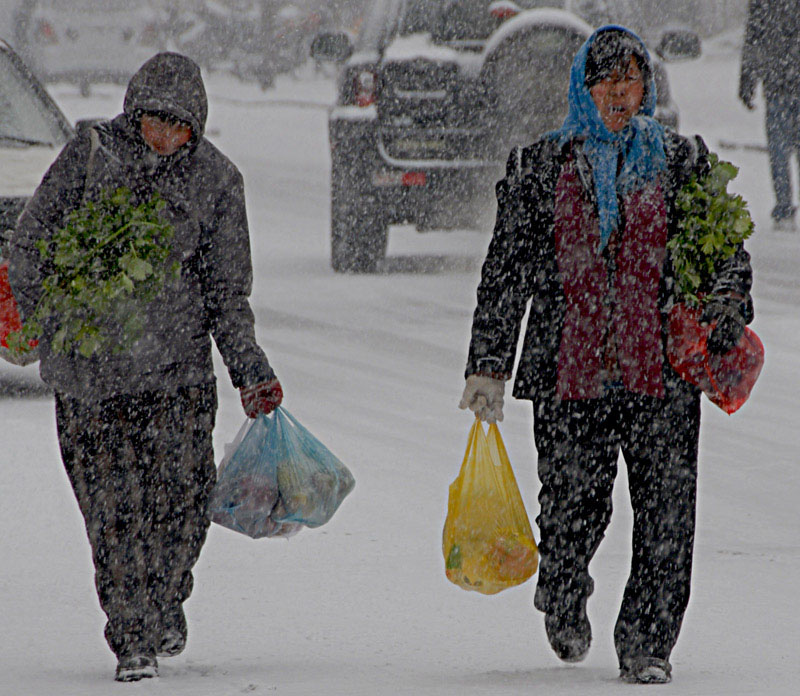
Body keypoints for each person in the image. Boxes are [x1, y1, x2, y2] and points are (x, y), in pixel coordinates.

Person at [460, 26, 753, 684]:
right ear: (583, 89)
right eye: (605, 82)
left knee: (668, 521)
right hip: (574, 377)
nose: (619, 93)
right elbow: (505, 272)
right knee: (571, 512)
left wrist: (727, 304)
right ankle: (562, 593)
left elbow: (726, 251)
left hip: (661, 377)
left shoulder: (681, 162)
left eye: (630, 80)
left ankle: (647, 643)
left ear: (646, 86)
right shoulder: (543, 167)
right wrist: (488, 364)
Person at [8, 52, 284, 682]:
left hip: (177, 381)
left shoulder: (216, 181)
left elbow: (226, 293)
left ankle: (164, 601)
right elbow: (30, 243)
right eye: (156, 121)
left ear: (197, 128)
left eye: (179, 126)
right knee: (114, 515)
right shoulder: (89, 156)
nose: (165, 136)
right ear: (135, 115)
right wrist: (52, 324)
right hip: (91, 382)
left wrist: (250, 370)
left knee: (183, 507)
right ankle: (131, 634)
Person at [739, 0, 800, 231]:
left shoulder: (763, 4)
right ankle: (784, 208)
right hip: (783, 82)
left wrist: (747, 80)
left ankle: (784, 209)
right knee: (782, 150)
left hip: (777, 83)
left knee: (779, 150)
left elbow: (753, 40)